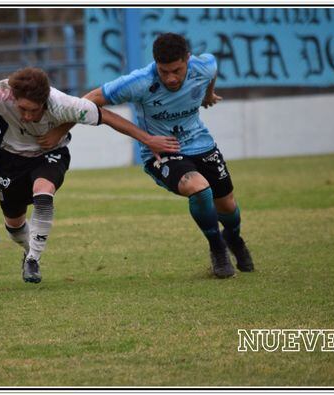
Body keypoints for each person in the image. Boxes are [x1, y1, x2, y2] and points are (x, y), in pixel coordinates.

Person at [0, 67, 180, 283]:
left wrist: (147, 140)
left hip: (51, 155)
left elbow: (107, 116)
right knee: (13, 225)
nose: (28, 116)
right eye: (23, 109)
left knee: (43, 193)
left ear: (46, 100)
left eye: (35, 110)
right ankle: (28, 251)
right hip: (11, 158)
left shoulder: (63, 104)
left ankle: (33, 259)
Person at [80, 32, 254, 278]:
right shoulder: (139, 82)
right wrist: (146, 138)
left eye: (177, 70)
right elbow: (87, 103)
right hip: (162, 152)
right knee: (199, 187)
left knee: (227, 204)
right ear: (155, 65)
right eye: (164, 72)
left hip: (201, 143)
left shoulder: (203, 67)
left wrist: (207, 95)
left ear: (188, 60)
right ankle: (217, 248)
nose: (171, 78)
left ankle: (234, 238)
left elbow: (212, 69)